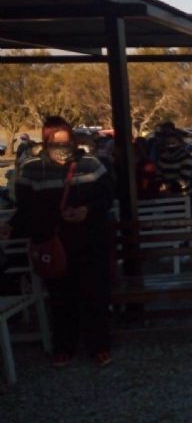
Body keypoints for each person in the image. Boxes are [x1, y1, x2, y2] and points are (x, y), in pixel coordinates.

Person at [2, 116, 114, 368]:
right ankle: (64, 346)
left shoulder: (91, 164)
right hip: (53, 242)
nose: (61, 149)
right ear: (46, 141)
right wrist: (12, 227)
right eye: (55, 143)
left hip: (89, 240)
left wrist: (86, 210)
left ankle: (100, 346)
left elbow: (106, 198)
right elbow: (26, 208)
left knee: (94, 295)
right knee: (61, 297)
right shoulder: (30, 168)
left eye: (66, 143)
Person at [156, 130, 192, 195]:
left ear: (180, 143)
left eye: (173, 143)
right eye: (168, 143)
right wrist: (160, 185)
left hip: (183, 194)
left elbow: (185, 177)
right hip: (166, 194)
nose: (170, 145)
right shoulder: (163, 158)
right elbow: (158, 175)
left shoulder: (186, 157)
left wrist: (168, 186)